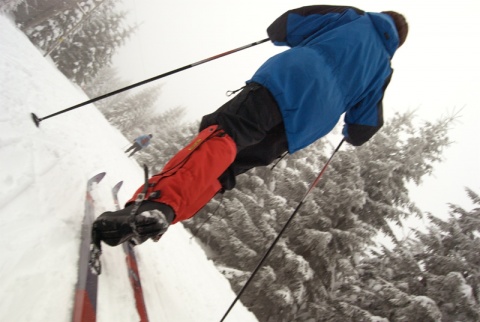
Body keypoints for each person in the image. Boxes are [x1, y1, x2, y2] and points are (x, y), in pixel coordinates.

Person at [92, 5, 408, 247]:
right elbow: (362, 129)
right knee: (228, 168)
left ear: (384, 17)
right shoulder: (383, 70)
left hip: (283, 84)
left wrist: (284, 38)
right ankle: (164, 213)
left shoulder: (354, 17)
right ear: (397, 42)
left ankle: (152, 207)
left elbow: (285, 26)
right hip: (302, 127)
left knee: (224, 136)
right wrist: (347, 127)